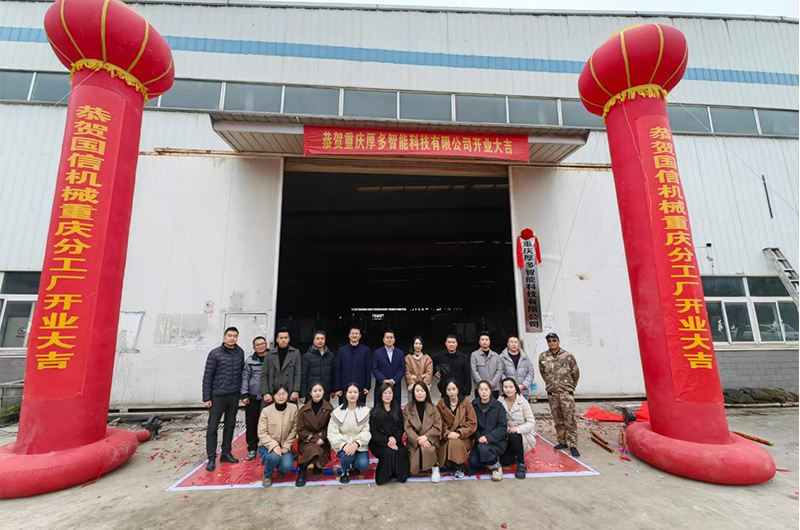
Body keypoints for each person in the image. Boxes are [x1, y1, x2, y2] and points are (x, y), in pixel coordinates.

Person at [202, 326, 246, 472]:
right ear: (224, 337)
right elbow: (207, 376)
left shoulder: (240, 353)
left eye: (235, 336)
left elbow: (241, 374)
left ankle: (226, 453)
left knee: (230, 425)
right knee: (213, 427)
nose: (232, 338)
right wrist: (206, 397)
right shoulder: (215, 354)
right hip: (217, 396)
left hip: (233, 395)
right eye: (229, 336)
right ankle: (211, 458)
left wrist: (242, 394)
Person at [538, 332, 581, 457]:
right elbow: (543, 373)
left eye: (554, 340)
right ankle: (562, 441)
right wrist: (550, 385)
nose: (552, 343)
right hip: (553, 394)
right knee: (558, 419)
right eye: (549, 341)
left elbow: (575, 373)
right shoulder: (543, 357)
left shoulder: (568, 356)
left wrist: (570, 387)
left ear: (558, 341)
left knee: (570, 419)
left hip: (566, 393)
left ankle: (572, 444)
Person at [328, 382, 371, 484]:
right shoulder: (337, 412)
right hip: (344, 445)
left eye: (355, 392)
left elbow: (367, 431)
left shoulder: (365, 411)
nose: (352, 395)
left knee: (363, 464)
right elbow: (332, 433)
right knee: (348, 456)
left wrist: (357, 443)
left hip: (359, 445)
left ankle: (354, 466)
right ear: (345, 394)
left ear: (359, 394)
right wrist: (344, 445)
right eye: (350, 392)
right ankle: (345, 471)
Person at [369, 383, 410, 485]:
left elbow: (401, 428)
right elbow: (374, 432)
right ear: (380, 394)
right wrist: (387, 442)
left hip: (395, 441)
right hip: (379, 443)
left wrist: (394, 439)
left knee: (401, 451)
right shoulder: (374, 412)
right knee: (388, 452)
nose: (387, 395)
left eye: (390, 393)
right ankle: (384, 477)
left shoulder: (397, 410)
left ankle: (399, 475)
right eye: (385, 393)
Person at [257, 384, 298, 487]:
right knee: (273, 457)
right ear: (273, 396)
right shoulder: (266, 411)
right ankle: (267, 475)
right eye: (278, 394)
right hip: (267, 445)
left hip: (284, 445)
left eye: (284, 394)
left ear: (288, 394)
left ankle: (280, 468)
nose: (281, 396)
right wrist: (274, 446)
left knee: (287, 465)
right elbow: (262, 432)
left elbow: (294, 430)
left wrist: (286, 446)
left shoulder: (293, 408)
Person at [435, 379, 477, 479]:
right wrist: (447, 433)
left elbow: (472, 423)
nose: (451, 392)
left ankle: (459, 465)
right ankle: (455, 463)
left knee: (454, 442)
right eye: (449, 390)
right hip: (447, 437)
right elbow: (438, 422)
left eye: (453, 389)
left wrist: (459, 433)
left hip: (463, 437)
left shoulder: (466, 403)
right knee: (451, 442)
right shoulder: (441, 404)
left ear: (458, 389)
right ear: (446, 392)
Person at [295, 381, 334, 487]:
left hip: (323, 441)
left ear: (324, 392)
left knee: (317, 451)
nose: (317, 393)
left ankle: (316, 464)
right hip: (307, 441)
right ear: (310, 393)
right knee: (313, 448)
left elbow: (331, 427)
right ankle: (303, 469)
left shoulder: (329, 408)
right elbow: (300, 429)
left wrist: (322, 437)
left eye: (320, 390)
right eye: (315, 391)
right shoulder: (303, 410)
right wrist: (315, 438)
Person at [404, 381, 442, 483]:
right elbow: (407, 428)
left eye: (422, 391)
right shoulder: (408, 408)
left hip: (430, 441)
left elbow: (438, 426)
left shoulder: (433, 408)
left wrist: (427, 437)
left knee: (428, 450)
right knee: (413, 463)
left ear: (426, 393)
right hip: (414, 442)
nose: (420, 393)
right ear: (413, 393)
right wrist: (418, 440)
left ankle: (435, 467)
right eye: (417, 391)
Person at [469, 380, 507, 482]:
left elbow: (502, 427)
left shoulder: (498, 406)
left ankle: (496, 466)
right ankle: (487, 459)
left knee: (483, 449)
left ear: (490, 391)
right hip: (480, 440)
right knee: (473, 462)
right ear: (478, 391)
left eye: (486, 389)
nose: (484, 392)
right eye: (481, 389)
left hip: (495, 441)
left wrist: (488, 437)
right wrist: (478, 437)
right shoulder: (474, 405)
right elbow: (472, 424)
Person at [499, 377, 536, 479]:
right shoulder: (499, 401)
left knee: (514, 435)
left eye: (511, 387)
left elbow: (531, 422)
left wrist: (517, 429)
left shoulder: (523, 402)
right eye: (505, 387)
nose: (508, 389)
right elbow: (498, 421)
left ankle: (521, 464)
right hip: (506, 436)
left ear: (515, 388)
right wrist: (507, 429)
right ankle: (514, 455)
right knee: (505, 461)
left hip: (523, 436)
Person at [241, 336, 268, 460]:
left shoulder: (272, 358)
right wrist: (244, 394)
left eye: (262, 344)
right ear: (254, 347)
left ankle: (267, 446)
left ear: (266, 344)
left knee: (268, 424)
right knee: (251, 424)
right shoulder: (249, 361)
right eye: (258, 345)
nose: (260, 346)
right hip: (253, 397)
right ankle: (252, 448)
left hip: (268, 397)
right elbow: (245, 378)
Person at [260, 327, 302, 404]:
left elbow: (298, 373)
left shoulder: (295, 353)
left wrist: (296, 391)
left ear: (289, 339)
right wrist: (265, 392)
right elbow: (264, 374)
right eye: (281, 338)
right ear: (277, 339)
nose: (283, 340)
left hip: (289, 392)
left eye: (285, 338)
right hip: (271, 392)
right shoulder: (269, 354)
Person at [335, 327, 372, 404]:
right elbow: (338, 370)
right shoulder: (342, 350)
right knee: (344, 408)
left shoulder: (366, 350)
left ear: (360, 336)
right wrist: (338, 388)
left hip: (361, 386)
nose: (354, 335)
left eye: (356, 334)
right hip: (344, 387)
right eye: (352, 333)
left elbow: (368, 370)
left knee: (360, 408)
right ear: (349, 335)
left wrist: (367, 386)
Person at [372, 329, 406, 407]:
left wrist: (393, 380)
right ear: (383, 340)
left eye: (391, 337)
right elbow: (375, 369)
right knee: (380, 408)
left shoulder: (400, 353)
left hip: (395, 385)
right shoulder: (377, 353)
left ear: (394, 339)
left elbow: (402, 369)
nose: (389, 339)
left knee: (395, 408)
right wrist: (384, 380)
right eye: (387, 337)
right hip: (381, 385)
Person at [301, 330, 335, 403]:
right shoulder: (306, 356)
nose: (320, 341)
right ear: (313, 340)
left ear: (325, 340)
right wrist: (303, 394)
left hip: (325, 391)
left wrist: (333, 390)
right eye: (317, 339)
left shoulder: (330, 356)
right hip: (311, 392)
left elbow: (333, 374)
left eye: (322, 339)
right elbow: (303, 376)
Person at [433, 335, 471, 399]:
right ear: (446, 343)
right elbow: (430, 362)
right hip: (445, 389)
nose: (451, 344)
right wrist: (434, 372)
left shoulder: (463, 358)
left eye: (453, 342)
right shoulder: (440, 356)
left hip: (460, 389)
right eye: (449, 342)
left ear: (456, 344)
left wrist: (467, 392)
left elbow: (467, 375)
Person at [470, 331, 503, 398]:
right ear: (479, 342)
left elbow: (499, 370)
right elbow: (473, 371)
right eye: (482, 340)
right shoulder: (474, 355)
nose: (484, 342)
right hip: (480, 388)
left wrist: (491, 384)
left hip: (494, 388)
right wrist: (482, 384)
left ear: (489, 341)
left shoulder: (496, 355)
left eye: (486, 340)